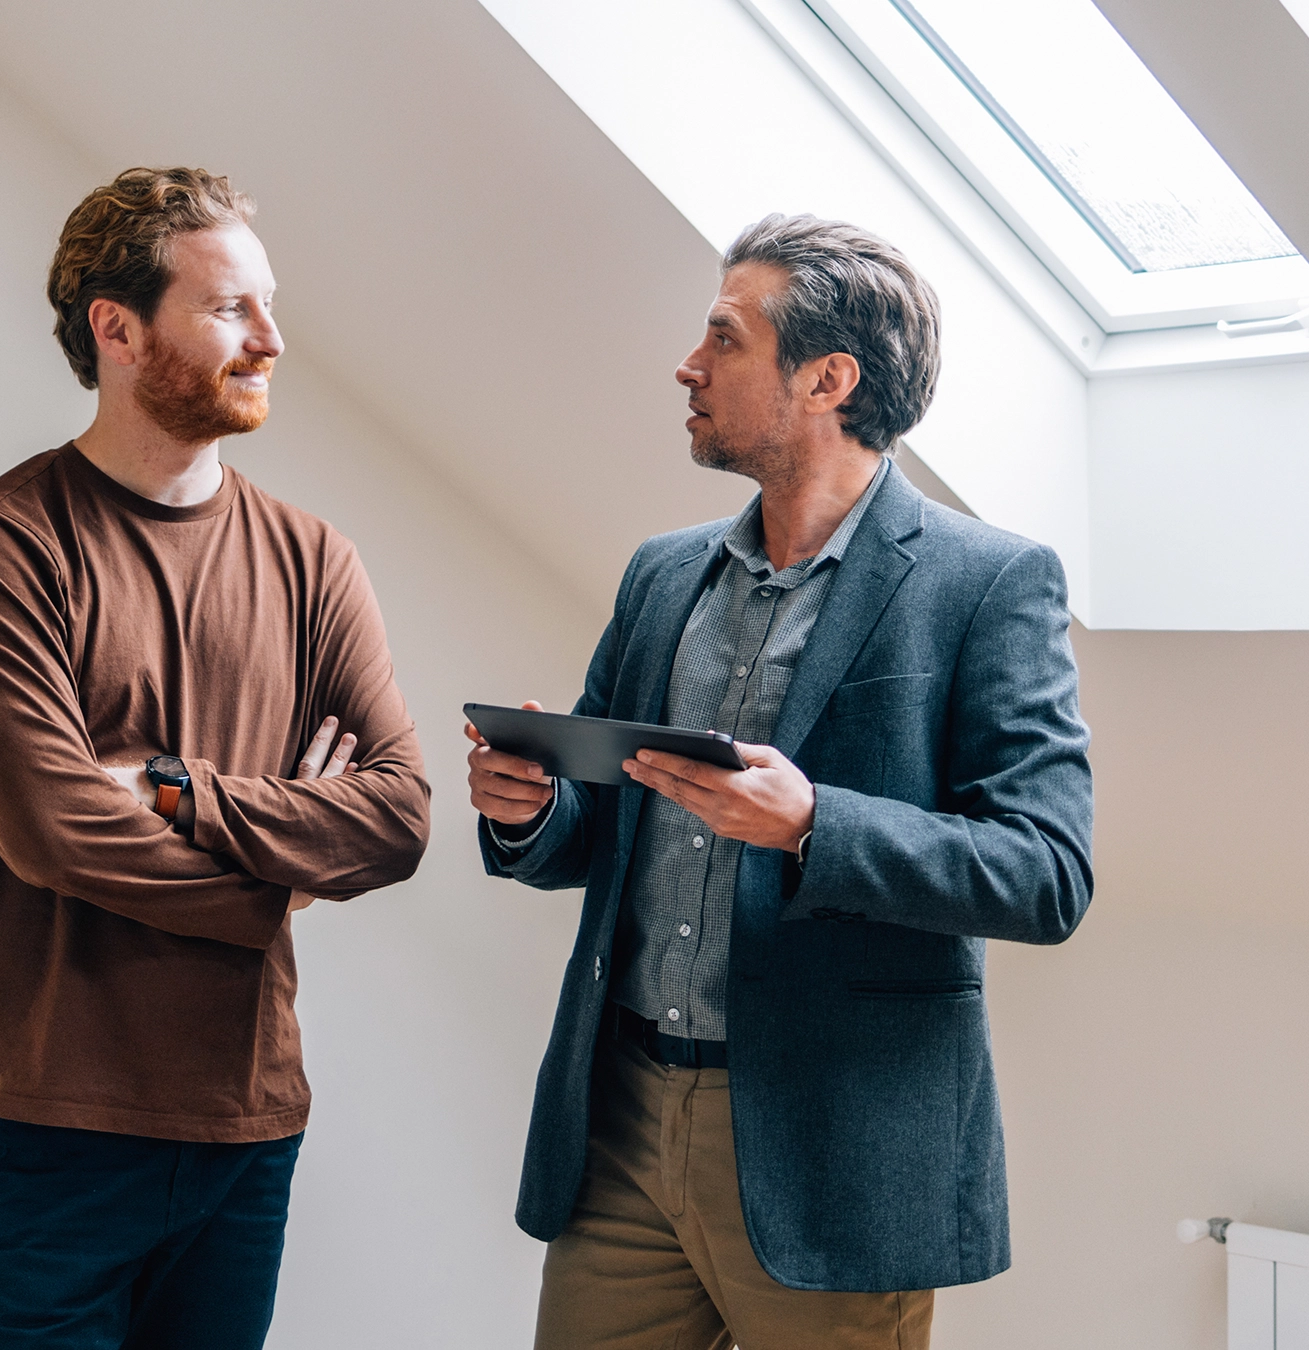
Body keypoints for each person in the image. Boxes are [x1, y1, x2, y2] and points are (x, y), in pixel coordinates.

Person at [467, 214, 1093, 1349]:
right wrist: (535, 811)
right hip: (619, 1122)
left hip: (834, 1146)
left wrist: (812, 824)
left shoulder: (989, 583)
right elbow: (600, 827)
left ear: (827, 380)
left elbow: (1046, 874)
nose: (687, 364)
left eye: (724, 337)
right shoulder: (662, 573)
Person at [0, 167, 430, 1348]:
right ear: (118, 329)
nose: (272, 340)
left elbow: (397, 816)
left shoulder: (313, 561)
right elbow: (54, 831)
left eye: (268, 305)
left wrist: (174, 789)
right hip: (41, 1122)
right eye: (229, 309)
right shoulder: (0, 546)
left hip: (243, 1124)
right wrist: (284, 873)